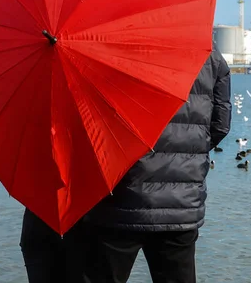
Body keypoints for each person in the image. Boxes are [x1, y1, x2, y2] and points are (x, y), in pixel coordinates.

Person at [20, 47, 231, 283]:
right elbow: (220, 126)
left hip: (119, 196)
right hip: (181, 203)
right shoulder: (208, 54)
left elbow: (88, 121)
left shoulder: (112, 45)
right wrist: (184, 158)